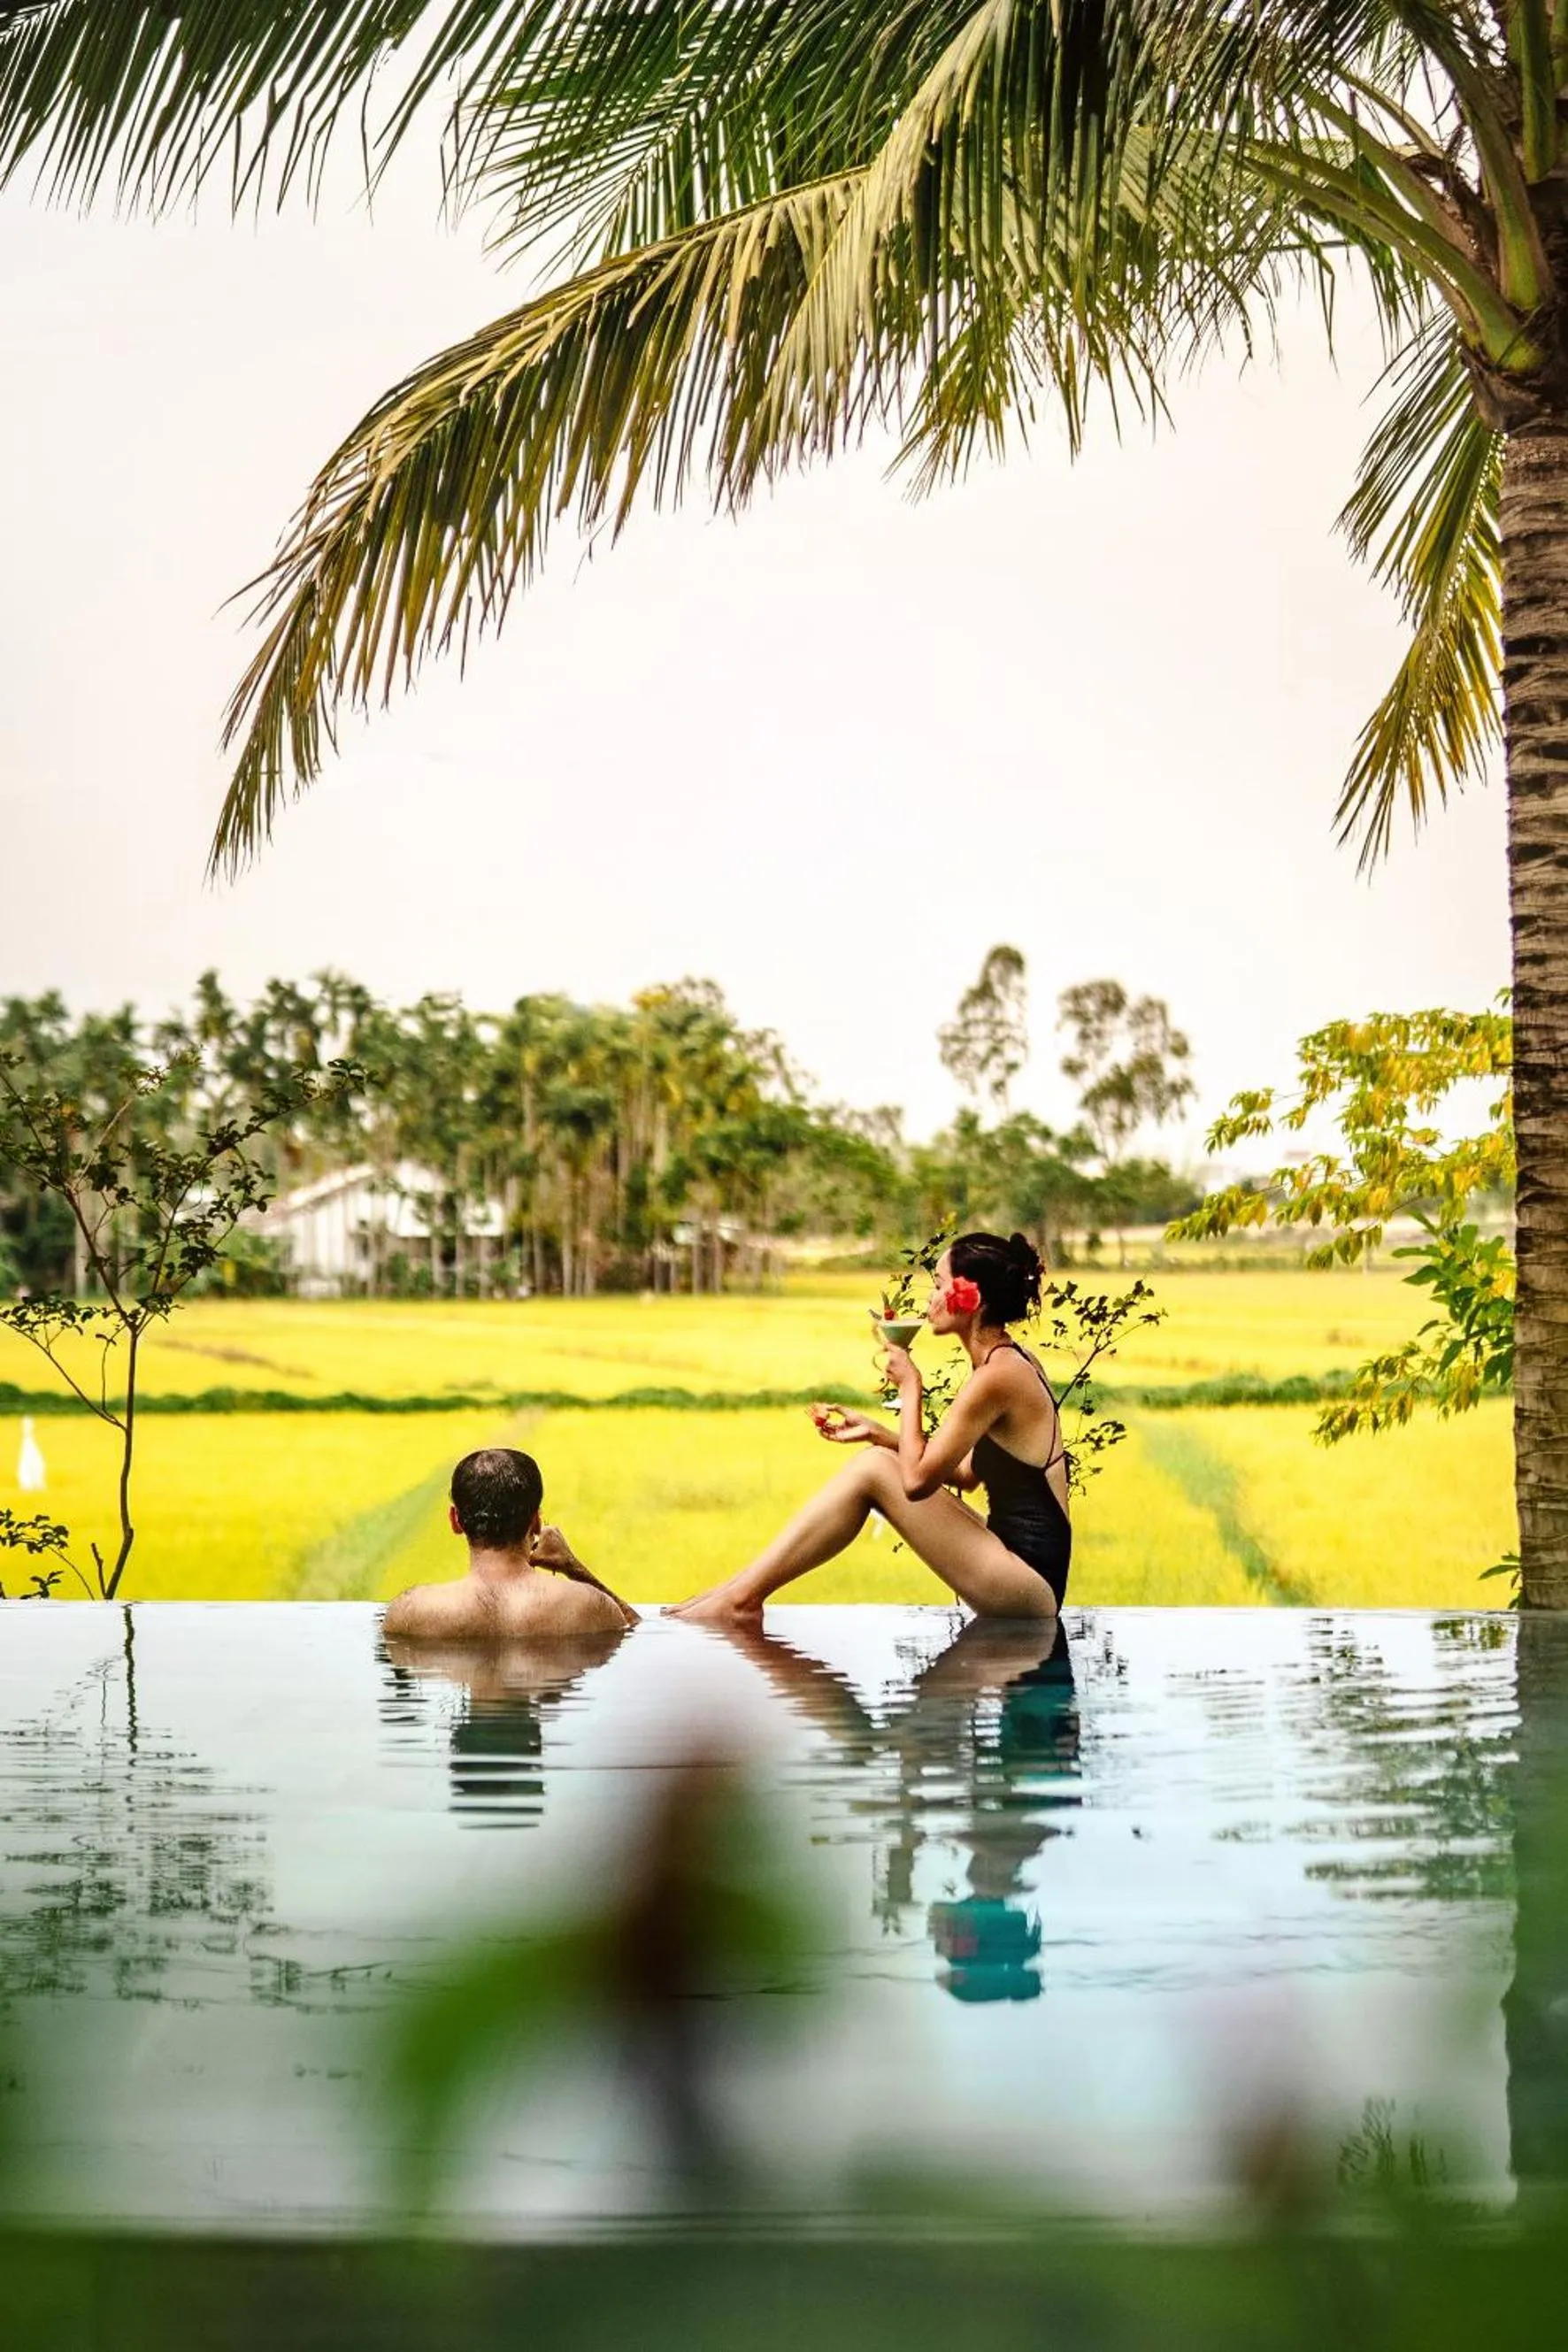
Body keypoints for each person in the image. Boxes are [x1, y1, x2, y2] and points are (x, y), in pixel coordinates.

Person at [671, 1231, 1068, 1626]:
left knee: (875, 1469)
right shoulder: (1005, 1363)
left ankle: (741, 1599)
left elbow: (915, 1482)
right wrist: (881, 1434)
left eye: (939, 1285)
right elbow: (964, 1475)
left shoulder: (998, 1377)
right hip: (1017, 1570)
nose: (930, 1299)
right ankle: (732, 1594)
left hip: (1028, 1583)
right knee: (877, 1459)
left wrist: (911, 1387)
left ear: (972, 1299)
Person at [383, 1446, 638, 1639]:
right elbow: (636, 1633)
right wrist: (573, 1567)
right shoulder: (589, 1607)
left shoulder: (411, 1613)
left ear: (455, 1521)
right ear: (536, 1522)